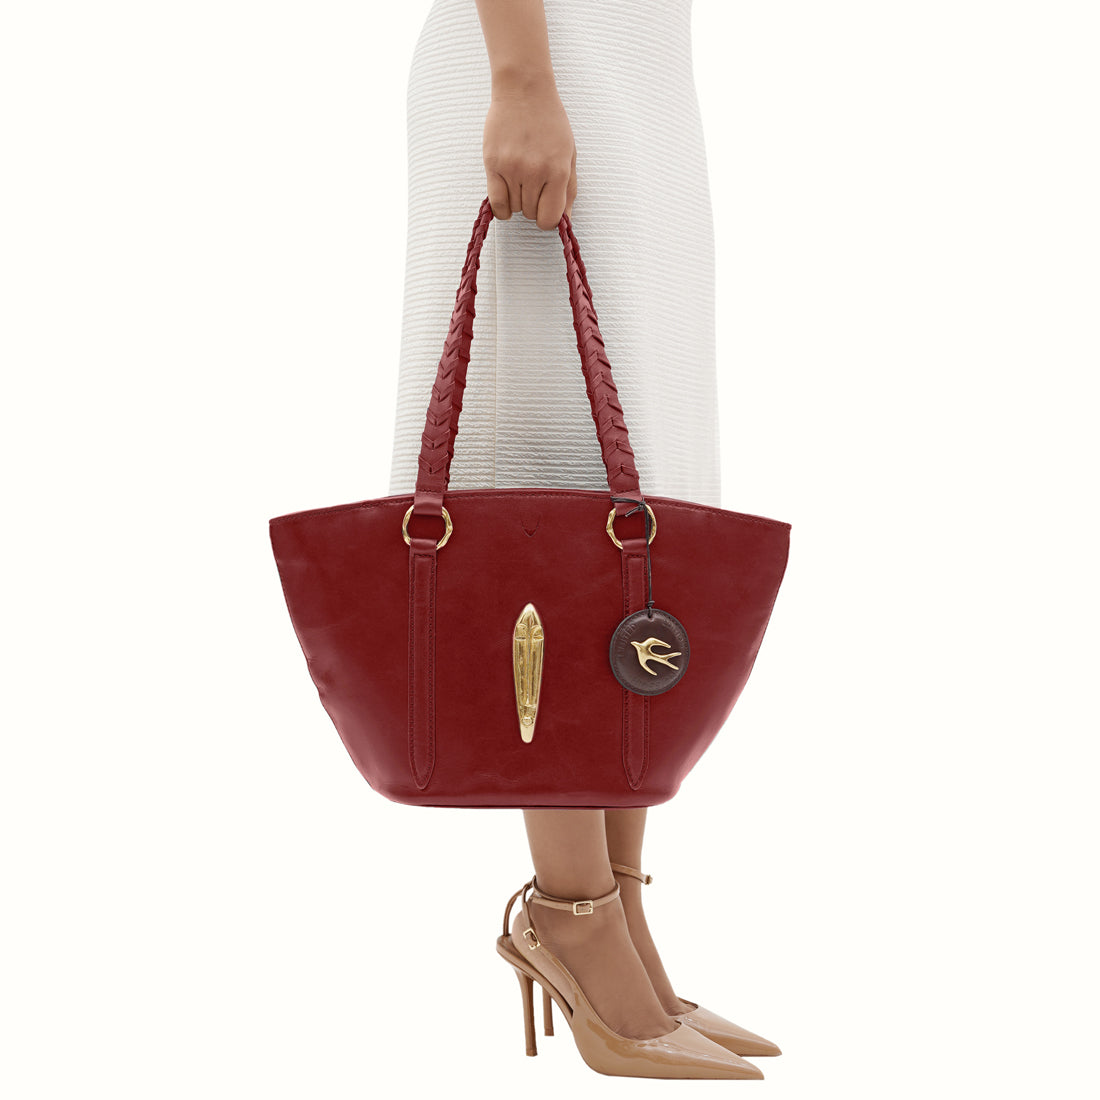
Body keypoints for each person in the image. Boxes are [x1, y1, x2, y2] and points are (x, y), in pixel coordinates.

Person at [387, 0, 781, 1078]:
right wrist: (520, 76)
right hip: (540, 66)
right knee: (545, 504)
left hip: (639, 81)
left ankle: (622, 912)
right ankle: (572, 912)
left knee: (632, 516)